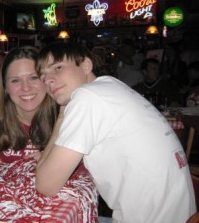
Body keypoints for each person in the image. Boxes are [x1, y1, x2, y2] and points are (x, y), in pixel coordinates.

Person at [35, 42, 196, 223]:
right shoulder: (111, 86)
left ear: (86, 65)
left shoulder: (88, 97)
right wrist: (63, 115)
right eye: (42, 76)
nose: (48, 80)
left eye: (57, 68)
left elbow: (46, 185)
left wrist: (61, 117)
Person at [0, 46, 58, 165]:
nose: (26, 88)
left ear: (46, 80)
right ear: (5, 87)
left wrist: (56, 160)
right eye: (15, 81)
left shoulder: (65, 117)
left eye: (33, 78)